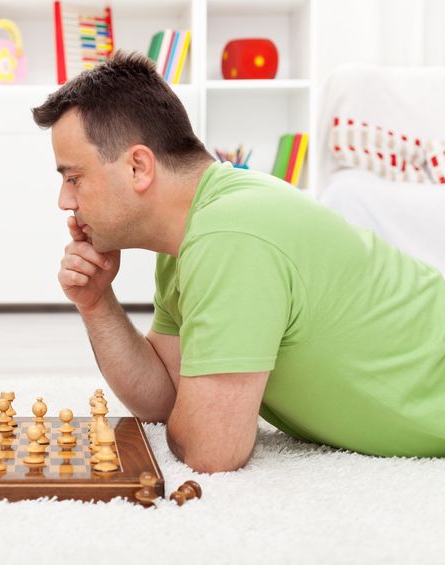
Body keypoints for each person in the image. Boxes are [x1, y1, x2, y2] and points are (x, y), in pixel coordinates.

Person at [32, 51, 445, 472]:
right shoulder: (189, 236)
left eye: (73, 178)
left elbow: (213, 450)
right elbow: (164, 397)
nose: (64, 201)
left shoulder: (228, 233)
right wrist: (96, 303)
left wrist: (204, 410)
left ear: (139, 166)